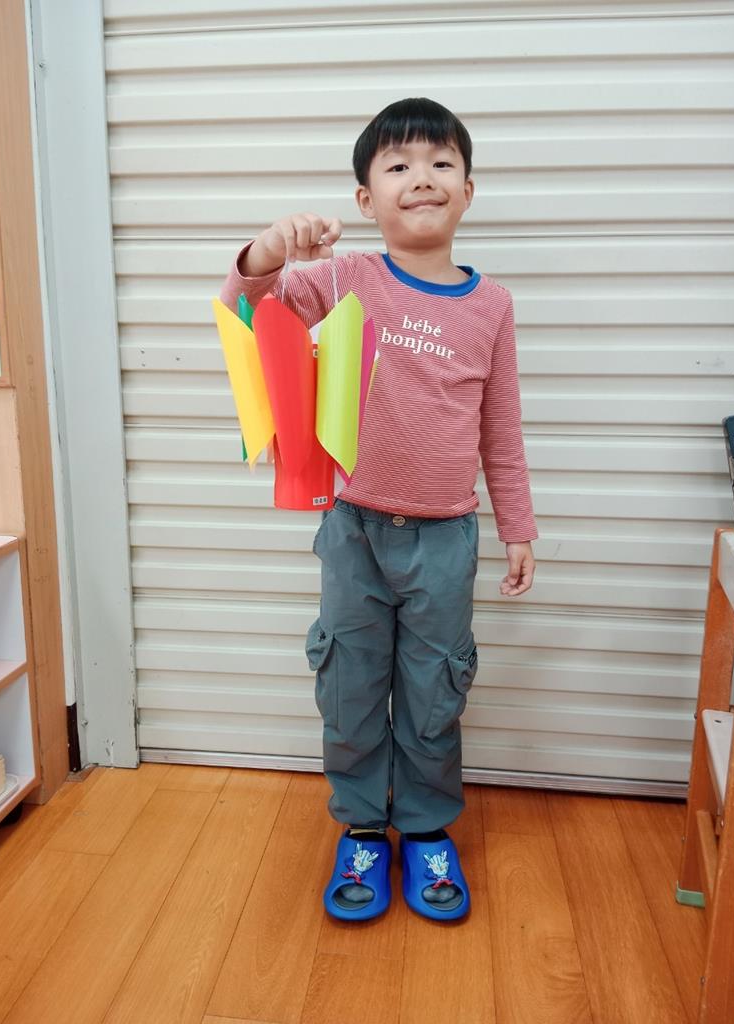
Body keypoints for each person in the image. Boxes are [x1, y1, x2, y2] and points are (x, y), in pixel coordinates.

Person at [219, 97, 537, 923]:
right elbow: (249, 307)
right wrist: (268, 249)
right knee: (350, 686)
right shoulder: (344, 278)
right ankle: (362, 825)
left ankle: (426, 828)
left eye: (440, 162)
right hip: (354, 531)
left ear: (469, 189)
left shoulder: (492, 305)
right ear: (366, 199)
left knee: (434, 692)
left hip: (446, 538)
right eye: (398, 165)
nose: (421, 177)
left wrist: (518, 528)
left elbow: (501, 430)